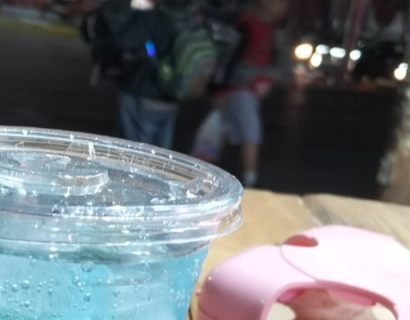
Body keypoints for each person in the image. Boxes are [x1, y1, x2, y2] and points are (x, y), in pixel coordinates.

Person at [198, 0, 290, 186]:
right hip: (239, 89)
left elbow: (282, 63)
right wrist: (218, 89)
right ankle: (250, 180)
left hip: (247, 91)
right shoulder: (245, 24)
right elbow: (226, 59)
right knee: (251, 132)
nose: (283, 6)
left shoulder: (275, 28)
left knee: (219, 130)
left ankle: (199, 174)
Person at [82, 0, 185, 149]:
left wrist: (100, 53)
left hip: (142, 92)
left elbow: (123, 42)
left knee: (134, 148)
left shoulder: (147, 19)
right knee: (162, 149)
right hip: (171, 95)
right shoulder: (182, 19)